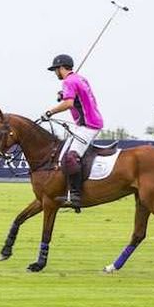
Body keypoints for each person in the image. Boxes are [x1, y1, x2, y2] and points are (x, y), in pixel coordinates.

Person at [41, 54, 104, 212]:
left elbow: (69, 103)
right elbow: (78, 97)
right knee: (64, 154)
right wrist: (63, 94)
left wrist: (50, 112)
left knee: (71, 157)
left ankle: (75, 195)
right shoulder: (79, 79)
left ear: (61, 68)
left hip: (88, 125)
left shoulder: (69, 81)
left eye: (56, 69)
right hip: (87, 123)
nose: (55, 73)